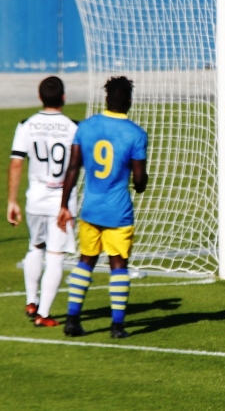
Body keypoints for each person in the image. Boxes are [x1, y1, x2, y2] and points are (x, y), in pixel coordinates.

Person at [57, 76, 148, 339]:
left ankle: (72, 320)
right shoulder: (135, 133)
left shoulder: (86, 127)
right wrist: (140, 185)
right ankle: (117, 326)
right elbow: (139, 178)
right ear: (129, 101)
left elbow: (73, 167)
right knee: (118, 264)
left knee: (86, 261)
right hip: (118, 211)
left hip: (91, 209)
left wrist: (64, 205)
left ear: (106, 98)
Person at [7, 76, 79, 328]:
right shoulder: (73, 127)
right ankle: (44, 315)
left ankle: (31, 301)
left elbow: (16, 162)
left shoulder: (26, 124)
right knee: (56, 256)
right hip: (62, 201)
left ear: (40, 97)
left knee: (35, 247)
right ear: (63, 98)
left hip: (35, 199)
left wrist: (11, 201)